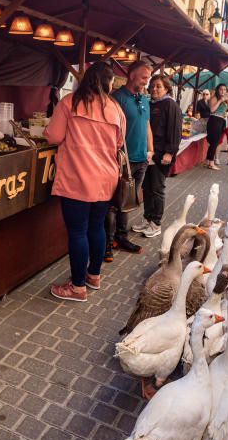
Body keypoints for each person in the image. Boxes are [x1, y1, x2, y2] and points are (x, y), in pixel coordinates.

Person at [44, 61, 125, 302]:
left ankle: (77, 288)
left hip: (77, 178)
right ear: (108, 84)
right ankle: (93, 276)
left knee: (78, 232)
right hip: (105, 179)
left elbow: (55, 136)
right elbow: (119, 143)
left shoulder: (69, 103)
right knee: (97, 227)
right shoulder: (116, 109)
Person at [106, 60, 154, 255]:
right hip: (122, 160)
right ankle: (107, 243)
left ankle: (121, 237)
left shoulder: (144, 99)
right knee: (113, 203)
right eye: (144, 77)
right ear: (132, 74)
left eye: (148, 78)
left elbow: (147, 125)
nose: (146, 81)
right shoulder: (117, 98)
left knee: (127, 202)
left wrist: (151, 150)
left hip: (141, 159)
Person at [133, 74, 182, 239]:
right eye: (152, 85)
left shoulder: (170, 105)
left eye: (158, 86)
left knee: (157, 189)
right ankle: (147, 219)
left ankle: (156, 223)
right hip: (147, 153)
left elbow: (175, 131)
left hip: (161, 155)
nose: (154, 89)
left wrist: (169, 152)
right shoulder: (149, 103)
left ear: (166, 88)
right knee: (146, 188)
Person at [202, 84, 228, 170]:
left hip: (220, 121)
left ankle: (208, 162)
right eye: (221, 89)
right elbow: (212, 110)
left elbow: (222, 111)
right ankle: (211, 163)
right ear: (218, 90)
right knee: (214, 143)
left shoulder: (225, 100)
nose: (223, 91)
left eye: (224, 90)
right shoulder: (215, 98)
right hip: (214, 121)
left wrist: (225, 113)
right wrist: (220, 101)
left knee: (214, 143)